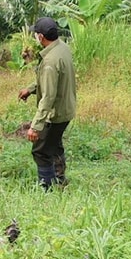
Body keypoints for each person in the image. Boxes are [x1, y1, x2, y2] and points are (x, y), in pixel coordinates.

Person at [17, 16, 76, 189]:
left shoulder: (50, 61)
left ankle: (47, 188)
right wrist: (31, 88)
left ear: (41, 37)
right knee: (54, 144)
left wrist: (35, 126)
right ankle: (60, 179)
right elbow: (52, 80)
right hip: (67, 108)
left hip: (55, 114)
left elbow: (48, 96)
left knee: (41, 151)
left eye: (36, 33)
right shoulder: (62, 48)